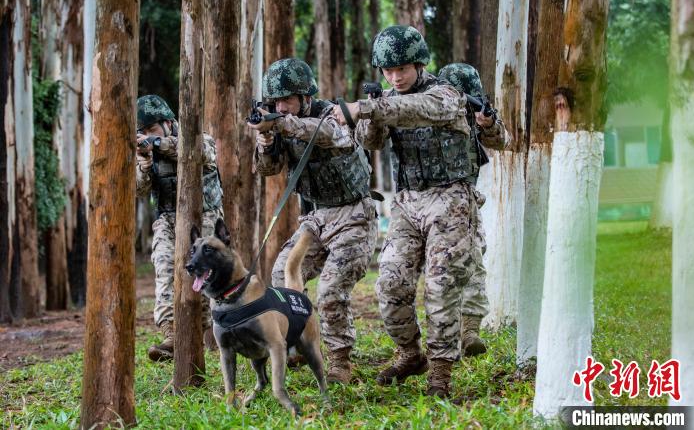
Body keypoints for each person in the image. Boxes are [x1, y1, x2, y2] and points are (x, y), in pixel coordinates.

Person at [331, 26, 508, 397]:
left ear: (419, 64)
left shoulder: (445, 92)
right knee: (390, 283)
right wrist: (371, 116)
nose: (395, 77)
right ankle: (410, 353)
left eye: (402, 69)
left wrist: (367, 107)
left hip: (451, 200)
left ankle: (440, 372)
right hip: (408, 202)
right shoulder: (387, 98)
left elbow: (423, 108)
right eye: (388, 70)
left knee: (442, 287)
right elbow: (371, 141)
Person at [249, 58, 378, 384]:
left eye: (287, 99)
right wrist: (265, 143)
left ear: (306, 96)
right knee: (281, 275)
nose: (281, 106)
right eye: (275, 101)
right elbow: (267, 170)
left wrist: (280, 124)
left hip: (353, 215)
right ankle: (295, 343)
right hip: (315, 217)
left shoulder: (330, 115)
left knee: (332, 288)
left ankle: (340, 361)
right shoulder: (281, 124)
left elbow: (325, 134)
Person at [135, 94, 224, 361]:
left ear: (169, 123)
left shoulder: (198, 138)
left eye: (151, 129)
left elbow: (202, 153)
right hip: (167, 219)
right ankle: (171, 333)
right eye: (142, 132)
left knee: (204, 278)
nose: (147, 135)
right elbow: (140, 191)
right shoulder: (148, 152)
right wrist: (145, 165)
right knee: (164, 269)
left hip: (204, 218)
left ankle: (201, 332)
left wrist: (158, 143)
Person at [437, 62, 493, 357]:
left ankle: (470, 330)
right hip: (427, 206)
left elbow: (502, 139)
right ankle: (439, 335)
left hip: (464, 204)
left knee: (473, 264)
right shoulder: (429, 111)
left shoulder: (476, 120)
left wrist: (488, 124)